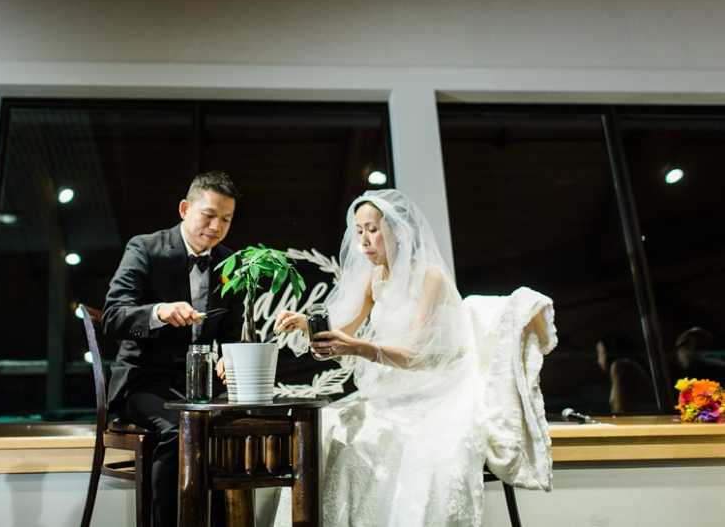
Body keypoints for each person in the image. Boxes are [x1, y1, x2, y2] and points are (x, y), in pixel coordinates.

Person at [272, 189, 557, 527]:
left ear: (398, 231)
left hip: (438, 388)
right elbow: (342, 326)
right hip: (397, 388)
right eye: (359, 231)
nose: (364, 240)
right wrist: (306, 323)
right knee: (332, 431)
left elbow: (416, 354)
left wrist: (357, 347)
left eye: (372, 229)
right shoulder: (375, 278)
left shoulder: (430, 278)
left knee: (392, 448)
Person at [102, 170, 244, 526]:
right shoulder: (146, 248)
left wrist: (229, 356)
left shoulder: (230, 263)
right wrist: (159, 312)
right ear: (185, 209)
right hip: (143, 382)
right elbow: (112, 317)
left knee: (241, 429)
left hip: (200, 386)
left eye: (225, 219)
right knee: (178, 431)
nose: (216, 226)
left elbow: (230, 329)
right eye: (208, 215)